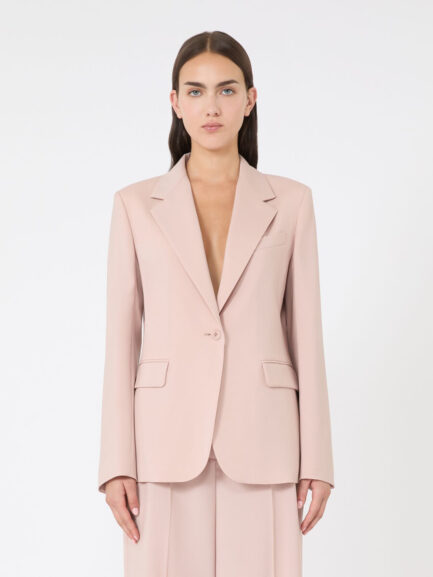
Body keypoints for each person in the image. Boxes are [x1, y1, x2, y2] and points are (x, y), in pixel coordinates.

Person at [97, 30, 335, 577]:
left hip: (265, 439)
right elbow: (120, 339)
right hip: (162, 443)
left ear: (250, 100)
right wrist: (115, 462)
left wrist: (318, 457)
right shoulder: (134, 205)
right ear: (175, 103)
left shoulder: (291, 202)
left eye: (227, 90)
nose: (212, 106)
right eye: (196, 91)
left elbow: (307, 334)